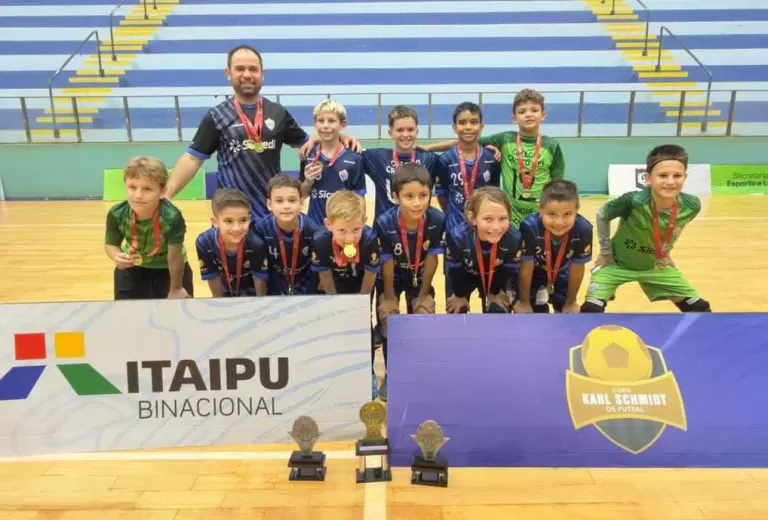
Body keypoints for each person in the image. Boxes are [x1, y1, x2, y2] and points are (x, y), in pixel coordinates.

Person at [164, 44, 361, 224]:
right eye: (240, 69)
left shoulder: (278, 113)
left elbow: (307, 144)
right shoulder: (217, 116)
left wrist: (340, 138)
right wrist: (167, 196)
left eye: (253, 69)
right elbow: (193, 158)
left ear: (262, 74)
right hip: (233, 215)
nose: (247, 74)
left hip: (271, 213)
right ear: (228, 73)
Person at [581, 144, 712, 313]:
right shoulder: (634, 201)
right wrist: (606, 252)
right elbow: (602, 214)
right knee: (590, 311)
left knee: (700, 309)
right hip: (616, 264)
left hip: (655, 266)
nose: (670, 181)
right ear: (648, 178)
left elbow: (671, 230)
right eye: (663, 175)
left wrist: (665, 252)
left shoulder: (691, 206)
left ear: (685, 177)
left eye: (677, 175)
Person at [421, 89, 565, 229]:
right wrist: (429, 148)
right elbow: (466, 141)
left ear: (543, 115)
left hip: (539, 215)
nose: (528, 115)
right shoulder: (505, 139)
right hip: (511, 217)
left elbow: (556, 183)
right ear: (514, 118)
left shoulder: (551, 146)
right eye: (522, 111)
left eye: (534, 110)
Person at [375, 163, 445, 400]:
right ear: (396, 196)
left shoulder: (437, 219)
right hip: (391, 279)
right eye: (409, 197)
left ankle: (419, 371)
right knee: (390, 324)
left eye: (423, 196)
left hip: (420, 277)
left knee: (423, 319)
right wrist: (388, 296)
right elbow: (386, 261)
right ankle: (390, 375)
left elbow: (433, 257)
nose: (417, 203)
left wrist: (424, 293)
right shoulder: (385, 222)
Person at [104, 156, 194, 300]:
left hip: (170, 271)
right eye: (132, 187)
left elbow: (174, 256)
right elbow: (111, 244)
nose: (138, 195)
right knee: (128, 316)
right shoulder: (116, 213)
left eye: (147, 189)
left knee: (176, 317)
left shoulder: (172, 217)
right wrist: (116, 256)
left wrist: (176, 288)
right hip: (131, 269)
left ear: (163, 191)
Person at [513, 180, 592, 314]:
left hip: (562, 270)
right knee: (526, 311)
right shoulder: (529, 227)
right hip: (534, 272)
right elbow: (526, 265)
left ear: (577, 209)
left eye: (567, 214)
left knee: (565, 311)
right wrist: (524, 302)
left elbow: (577, 267)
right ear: (540, 208)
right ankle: (538, 299)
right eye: (551, 214)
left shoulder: (584, 229)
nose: (559, 222)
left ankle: (554, 300)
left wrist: (571, 302)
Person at [445, 186, 522, 314]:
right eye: (488, 219)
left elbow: (506, 270)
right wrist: (459, 295)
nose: (496, 227)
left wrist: (494, 292)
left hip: (496, 276)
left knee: (498, 310)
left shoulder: (514, 239)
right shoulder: (457, 237)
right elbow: (454, 269)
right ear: (473, 218)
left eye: (502, 218)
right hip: (462, 276)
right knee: (457, 311)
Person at [359, 105, 440, 222]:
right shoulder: (377, 157)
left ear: (417, 132)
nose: (406, 135)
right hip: (385, 232)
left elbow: (468, 144)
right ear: (390, 133)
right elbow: (338, 144)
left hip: (421, 231)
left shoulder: (430, 159)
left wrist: (431, 147)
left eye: (410, 130)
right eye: (400, 130)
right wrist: (344, 136)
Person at [300, 100, 365, 227]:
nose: (325, 126)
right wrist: (308, 182)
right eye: (321, 121)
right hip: (315, 226)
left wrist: (358, 226)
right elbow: (302, 194)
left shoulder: (354, 158)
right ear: (315, 124)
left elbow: (359, 197)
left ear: (343, 125)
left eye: (331, 121)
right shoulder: (308, 155)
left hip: (343, 227)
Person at [195, 188, 269, 297]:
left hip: (251, 293)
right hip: (225, 289)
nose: (236, 228)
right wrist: (218, 302)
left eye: (243, 220)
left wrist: (259, 304)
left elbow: (259, 281)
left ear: (249, 219)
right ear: (215, 222)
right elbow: (213, 278)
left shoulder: (256, 244)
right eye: (228, 221)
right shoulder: (204, 243)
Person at [253, 175, 319, 295]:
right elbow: (259, 272)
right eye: (279, 201)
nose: (286, 206)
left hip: (306, 288)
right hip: (274, 288)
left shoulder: (313, 230)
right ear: (269, 204)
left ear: (301, 203)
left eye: (292, 200)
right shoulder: (261, 230)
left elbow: (317, 269)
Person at [311, 190, 380, 296]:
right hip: (334, 281)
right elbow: (325, 274)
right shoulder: (320, 240)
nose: (350, 239)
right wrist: (334, 301)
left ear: (364, 222)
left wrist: (361, 301)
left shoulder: (369, 240)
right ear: (328, 224)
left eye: (356, 229)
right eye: (342, 231)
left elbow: (370, 274)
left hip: (361, 282)